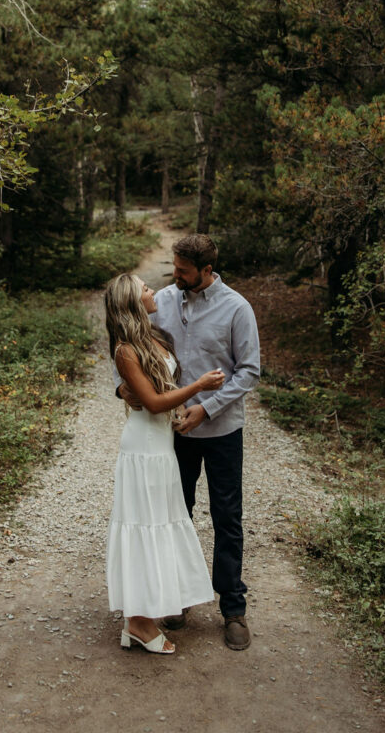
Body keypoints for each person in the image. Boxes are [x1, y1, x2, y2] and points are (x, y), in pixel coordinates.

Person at [120, 234, 260, 651]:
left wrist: (208, 408)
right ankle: (177, 600)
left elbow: (249, 371)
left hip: (221, 432)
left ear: (206, 270)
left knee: (227, 517)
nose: (174, 275)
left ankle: (233, 610)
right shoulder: (162, 299)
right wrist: (123, 390)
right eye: (175, 267)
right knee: (173, 516)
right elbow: (129, 350)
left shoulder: (237, 308)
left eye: (182, 270)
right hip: (172, 436)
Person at [104, 272, 225, 654]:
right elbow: (154, 403)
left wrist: (188, 405)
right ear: (133, 302)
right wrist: (199, 387)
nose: (152, 290)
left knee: (159, 524)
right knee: (145, 527)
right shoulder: (126, 349)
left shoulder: (155, 337)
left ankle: (138, 620)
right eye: (144, 288)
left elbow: (161, 390)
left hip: (162, 447)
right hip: (142, 449)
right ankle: (138, 622)